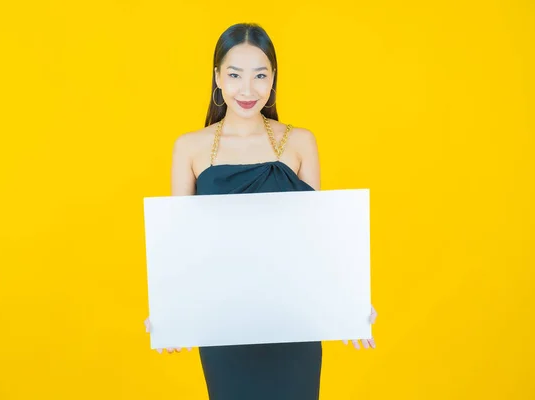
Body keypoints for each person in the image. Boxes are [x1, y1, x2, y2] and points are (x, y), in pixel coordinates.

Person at [144, 22, 378, 400]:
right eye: (235, 75)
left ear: (273, 79)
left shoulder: (300, 141)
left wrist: (349, 301)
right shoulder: (189, 147)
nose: (247, 89)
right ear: (217, 77)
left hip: (294, 321)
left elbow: (315, 238)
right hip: (224, 323)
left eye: (260, 75)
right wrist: (168, 310)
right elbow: (179, 244)